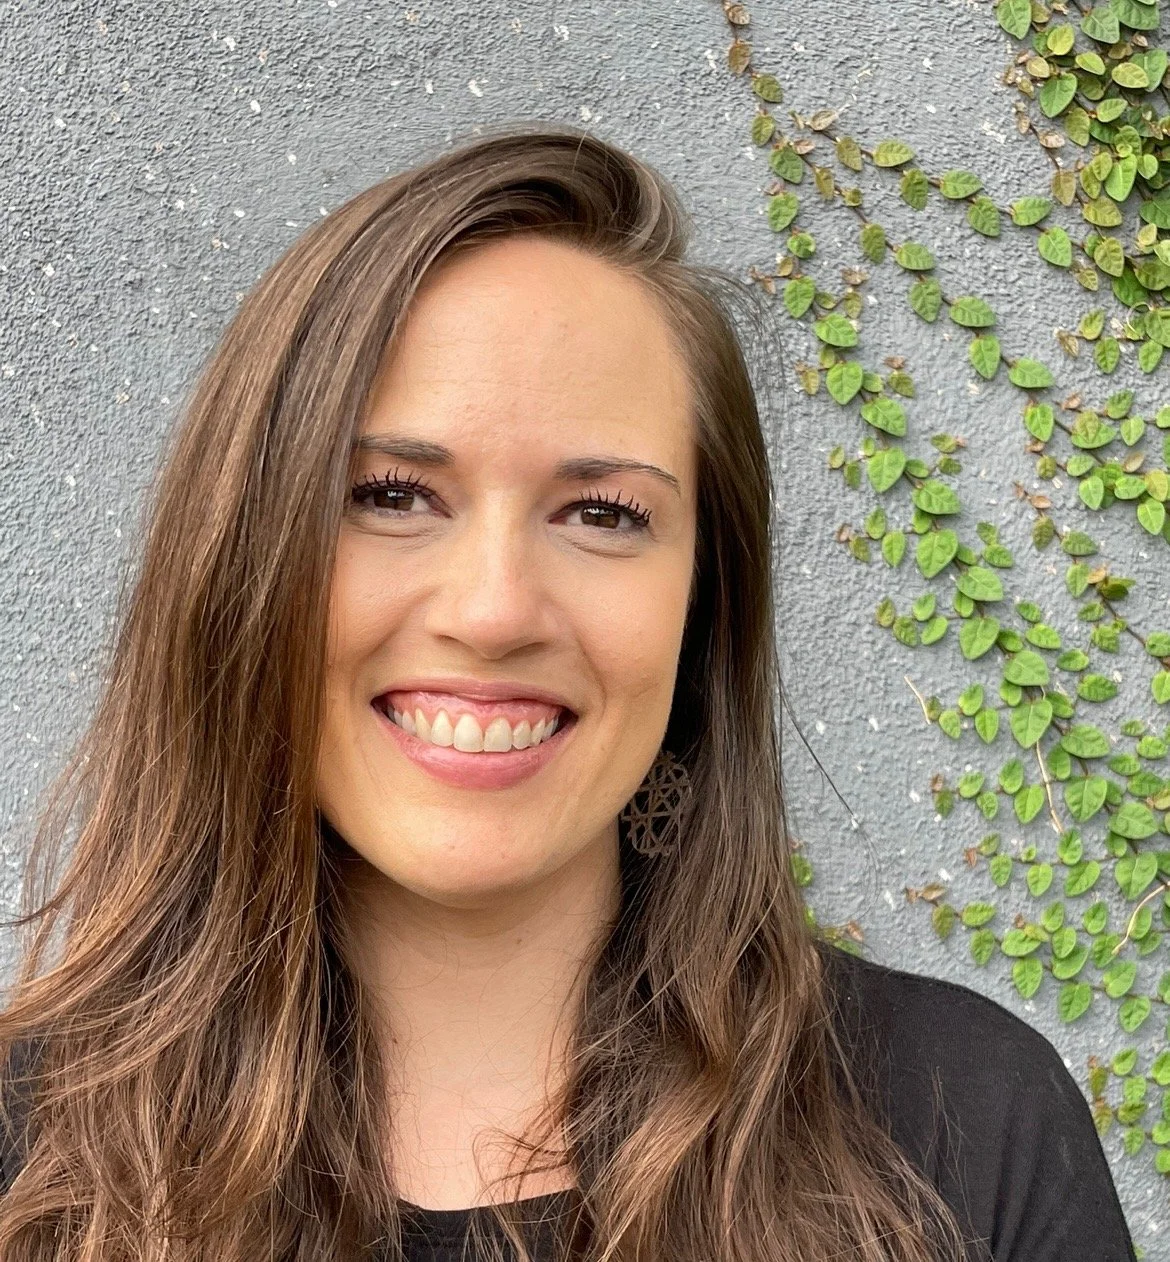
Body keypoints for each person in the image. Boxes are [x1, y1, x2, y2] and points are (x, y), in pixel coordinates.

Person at [0, 122, 1137, 1262]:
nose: (494, 609)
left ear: (705, 606)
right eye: (392, 493)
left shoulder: (966, 1127)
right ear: (243, 561)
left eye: (603, 514)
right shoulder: (23, 1151)